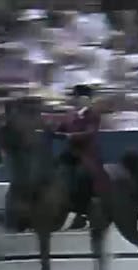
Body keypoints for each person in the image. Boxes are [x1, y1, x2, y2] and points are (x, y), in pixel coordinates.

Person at [49, 84, 111, 223]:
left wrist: (70, 136)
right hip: (71, 153)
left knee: (82, 175)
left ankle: (82, 210)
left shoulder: (93, 115)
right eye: (76, 97)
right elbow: (61, 128)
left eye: (80, 98)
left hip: (87, 154)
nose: (77, 100)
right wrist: (51, 129)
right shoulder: (70, 114)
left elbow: (89, 133)